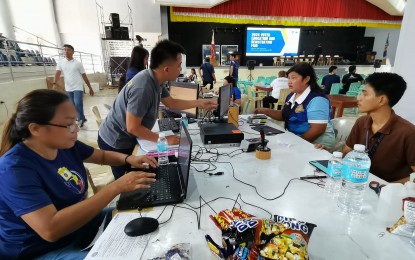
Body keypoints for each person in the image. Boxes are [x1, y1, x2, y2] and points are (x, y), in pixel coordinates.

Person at [0, 89, 158, 259]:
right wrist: (115, 187)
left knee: (146, 211)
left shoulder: (64, 145)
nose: (76, 129)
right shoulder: (14, 169)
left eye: (76, 122)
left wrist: (128, 159)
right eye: (68, 124)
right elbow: (50, 229)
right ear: (36, 129)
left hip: (79, 227)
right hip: (39, 249)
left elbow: (103, 156)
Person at [98, 40, 217, 179]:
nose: (180, 70)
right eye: (179, 66)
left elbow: (171, 103)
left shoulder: (156, 79)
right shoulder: (143, 87)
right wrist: (165, 140)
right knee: (128, 183)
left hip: (128, 136)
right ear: (166, 69)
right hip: (116, 141)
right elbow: (132, 127)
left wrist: (200, 103)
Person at [343, 73, 415, 183]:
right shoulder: (361, 122)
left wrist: (386, 187)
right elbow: (346, 152)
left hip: (387, 194)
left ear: (381, 100)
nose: (359, 98)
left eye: (365, 94)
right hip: (357, 183)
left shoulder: (408, 132)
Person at [254, 62, 335, 150]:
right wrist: (264, 111)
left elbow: (317, 129)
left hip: (318, 144)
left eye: (293, 78)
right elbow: (284, 115)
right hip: (297, 139)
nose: (289, 82)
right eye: (288, 78)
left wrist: (296, 144)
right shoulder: (292, 95)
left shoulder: (317, 99)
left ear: (306, 79)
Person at [53, 44, 94, 128]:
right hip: (68, 88)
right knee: (72, 105)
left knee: (78, 103)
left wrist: (90, 88)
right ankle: (82, 117)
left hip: (78, 87)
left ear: (73, 52)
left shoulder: (78, 64)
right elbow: (57, 73)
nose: (66, 51)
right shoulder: (61, 63)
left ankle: (80, 120)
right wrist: (54, 84)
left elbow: (84, 76)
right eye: (65, 50)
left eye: (68, 50)